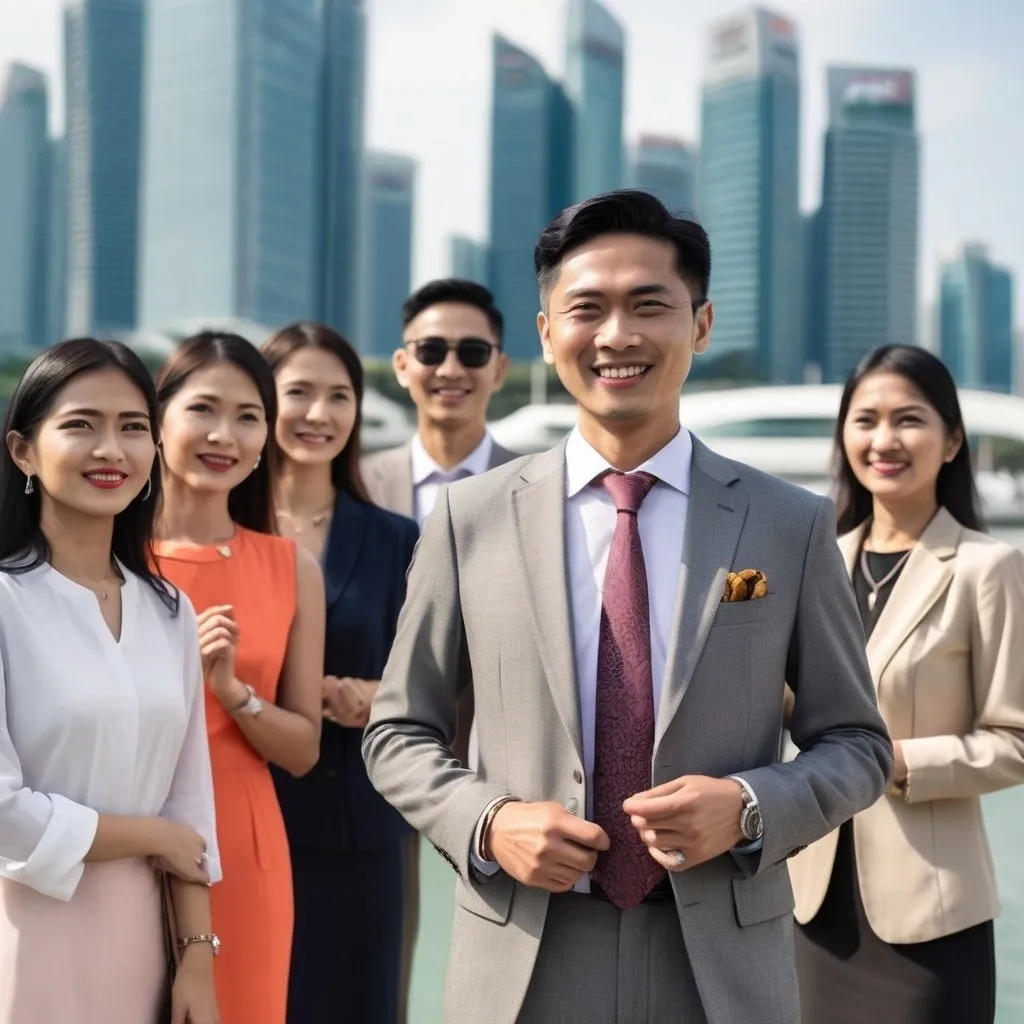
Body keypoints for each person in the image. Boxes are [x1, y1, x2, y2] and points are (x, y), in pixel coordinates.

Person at [363, 189, 893, 1024]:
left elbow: (857, 742)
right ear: (546, 334)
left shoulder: (788, 522)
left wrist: (753, 806)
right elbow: (398, 731)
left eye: (651, 305)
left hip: (720, 961)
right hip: (524, 955)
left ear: (702, 325)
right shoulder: (471, 518)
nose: (618, 335)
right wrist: (488, 821)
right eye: (587, 309)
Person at [788, 345, 1024, 1024]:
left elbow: (1015, 739)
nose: (884, 440)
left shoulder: (988, 567)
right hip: (808, 899)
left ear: (952, 441)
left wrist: (892, 762)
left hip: (930, 912)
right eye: (865, 420)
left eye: (908, 420)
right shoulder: (815, 562)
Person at [0, 338, 219, 1024]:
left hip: (144, 941)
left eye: (133, 428)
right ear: (22, 452)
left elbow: (191, 806)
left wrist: (197, 958)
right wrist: (151, 836)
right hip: (24, 935)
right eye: (80, 425)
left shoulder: (169, 609)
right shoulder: (6, 600)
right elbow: (4, 814)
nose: (111, 449)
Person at [153, 332, 325, 1024]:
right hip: (121, 840)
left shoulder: (291, 567)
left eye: (249, 415)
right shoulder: (106, 561)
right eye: (203, 410)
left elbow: (304, 750)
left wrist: (233, 693)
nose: (225, 434)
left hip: (241, 852)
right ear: (158, 418)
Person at [361, 277, 517, 1018]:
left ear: (499, 368)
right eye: (431, 350)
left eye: (470, 351)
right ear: (400, 364)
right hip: (365, 768)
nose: (449, 367)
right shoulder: (356, 485)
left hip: (506, 780)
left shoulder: (547, 487)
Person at [262, 323, 419, 1024]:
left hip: (360, 830)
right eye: (298, 393)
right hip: (237, 825)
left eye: (339, 396)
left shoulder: (395, 539)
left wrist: (378, 696)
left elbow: (443, 686)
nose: (318, 414)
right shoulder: (209, 531)